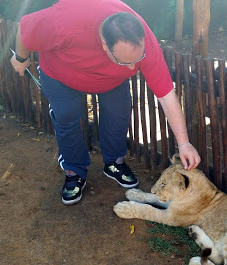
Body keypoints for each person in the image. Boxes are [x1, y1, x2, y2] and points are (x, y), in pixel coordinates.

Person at [10, 0, 201, 205]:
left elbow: (166, 95)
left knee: (118, 112)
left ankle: (114, 163)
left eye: (137, 59)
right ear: (103, 45)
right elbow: (26, 28)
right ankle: (74, 170)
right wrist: (21, 59)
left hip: (110, 80)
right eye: (124, 61)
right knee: (66, 114)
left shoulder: (144, 42)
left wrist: (184, 143)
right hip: (60, 74)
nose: (132, 70)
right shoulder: (66, 21)